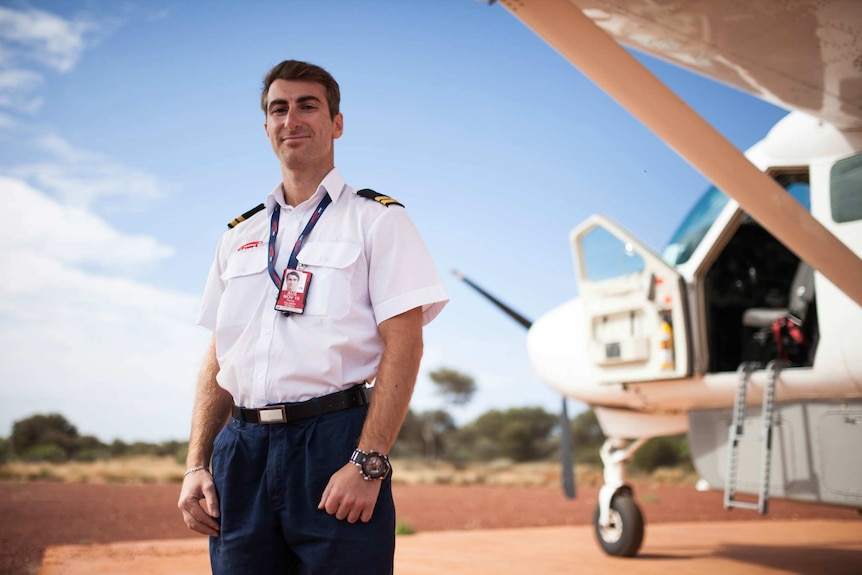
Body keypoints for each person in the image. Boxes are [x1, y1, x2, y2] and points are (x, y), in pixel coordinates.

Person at [177, 59, 448, 574]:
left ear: (336, 124)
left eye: (308, 106)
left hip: (333, 443)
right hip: (242, 450)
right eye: (279, 108)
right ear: (266, 128)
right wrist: (197, 463)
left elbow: (405, 343)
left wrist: (368, 463)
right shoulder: (237, 235)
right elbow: (218, 355)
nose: (291, 119)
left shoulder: (378, 220)